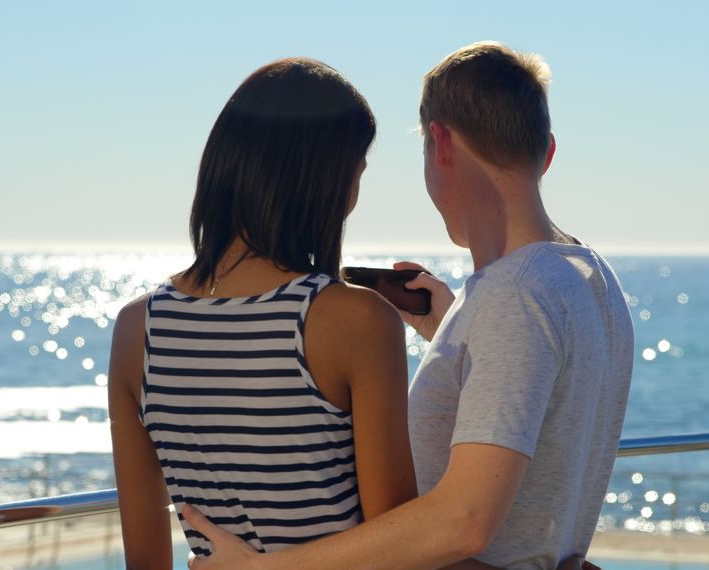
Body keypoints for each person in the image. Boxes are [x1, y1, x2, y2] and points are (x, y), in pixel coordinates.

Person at [184, 41, 635, 569]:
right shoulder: (588, 276)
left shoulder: (514, 297)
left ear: (440, 143)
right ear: (547, 152)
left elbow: (464, 523)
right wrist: (452, 330)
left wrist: (264, 569)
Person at [106, 57, 417, 570]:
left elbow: (145, 560)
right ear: (323, 177)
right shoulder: (358, 320)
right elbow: (402, 547)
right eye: (356, 173)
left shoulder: (137, 329)